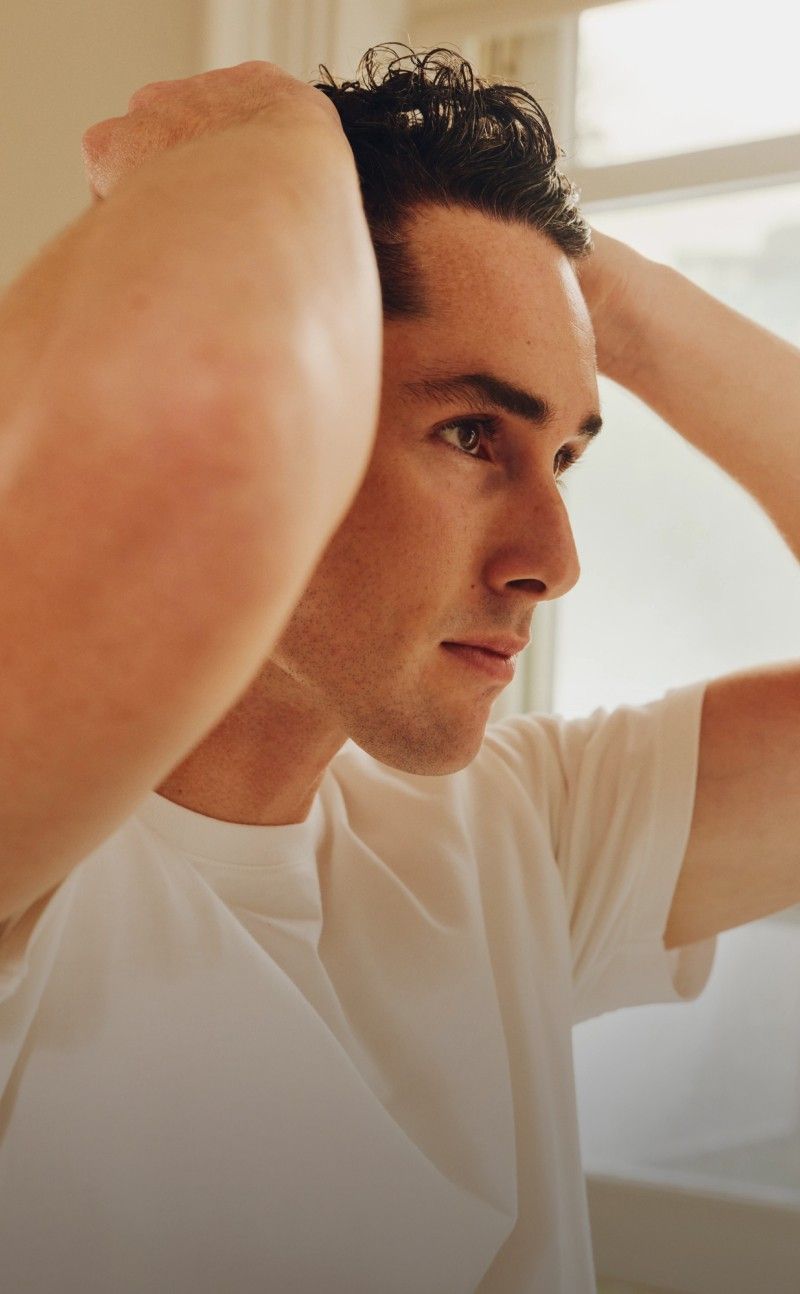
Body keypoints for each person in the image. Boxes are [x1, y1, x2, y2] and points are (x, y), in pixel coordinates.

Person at [0, 43, 797, 1294]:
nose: (554, 559)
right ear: (300, 406)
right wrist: (256, 135)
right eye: (472, 432)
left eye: (566, 455)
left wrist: (605, 301)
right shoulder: (34, 877)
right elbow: (176, 437)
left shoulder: (513, 836)